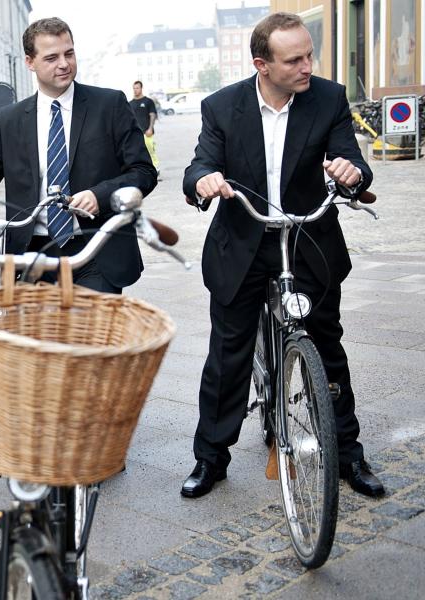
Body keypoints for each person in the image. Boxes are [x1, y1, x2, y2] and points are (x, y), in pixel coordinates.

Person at [181, 12, 383, 499]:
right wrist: (203, 182)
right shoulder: (222, 107)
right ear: (262, 64)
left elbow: (351, 159)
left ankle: (348, 455)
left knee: (327, 348)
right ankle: (211, 457)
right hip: (243, 244)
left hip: (308, 241)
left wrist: (351, 172)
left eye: (310, 54)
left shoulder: (328, 98)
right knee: (227, 356)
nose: (307, 66)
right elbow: (199, 165)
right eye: (294, 59)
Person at [0, 17, 157, 293]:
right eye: (51, 57)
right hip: (30, 255)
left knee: (89, 335)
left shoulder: (109, 105)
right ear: (29, 62)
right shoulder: (9, 120)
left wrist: (100, 195)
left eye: (69, 53)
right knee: (39, 337)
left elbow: (143, 173)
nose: (64, 64)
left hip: (95, 248)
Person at [129, 80, 159, 174]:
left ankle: (156, 169)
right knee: (137, 154)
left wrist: (150, 128)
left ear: (141, 88)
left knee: (150, 151)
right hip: (135, 133)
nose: (135, 90)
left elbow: (152, 115)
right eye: (134, 88)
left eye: (137, 88)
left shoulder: (148, 101)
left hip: (147, 132)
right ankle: (142, 171)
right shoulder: (130, 103)